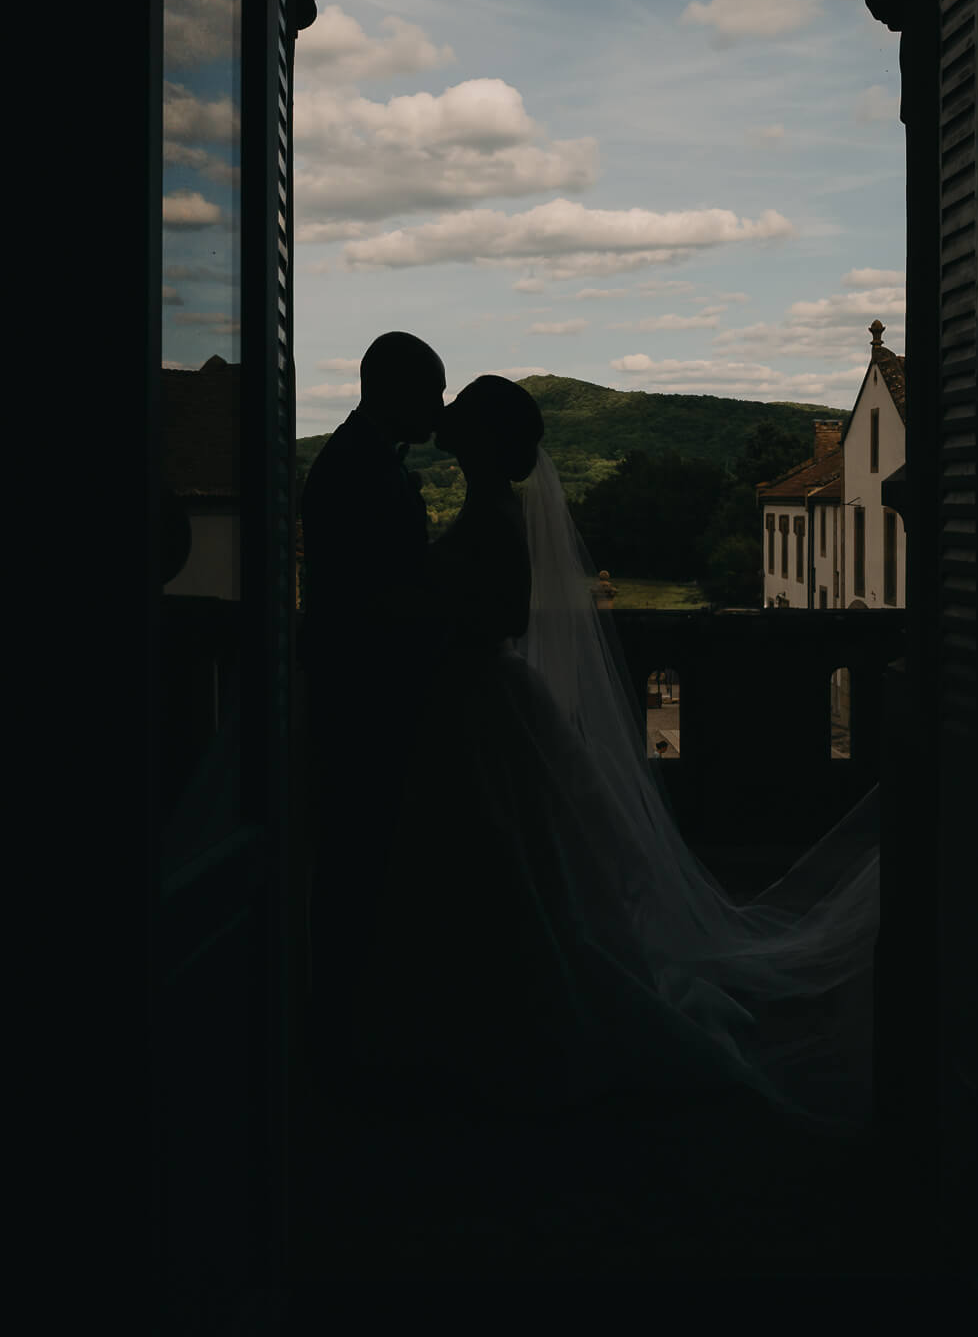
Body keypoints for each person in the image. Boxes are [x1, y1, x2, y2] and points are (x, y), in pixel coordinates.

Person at [347, 375, 883, 1136]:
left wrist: (431, 609)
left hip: (476, 696)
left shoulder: (492, 509)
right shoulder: (489, 504)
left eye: (458, 412)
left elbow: (499, 611)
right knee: (503, 857)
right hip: (478, 698)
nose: (445, 418)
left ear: (481, 436)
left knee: (502, 857)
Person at [299, 330, 447, 1095]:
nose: (440, 407)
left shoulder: (361, 460)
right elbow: (367, 597)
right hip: (362, 697)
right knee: (357, 857)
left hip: (366, 691)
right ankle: (341, 1033)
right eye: (432, 391)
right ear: (393, 391)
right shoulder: (357, 469)